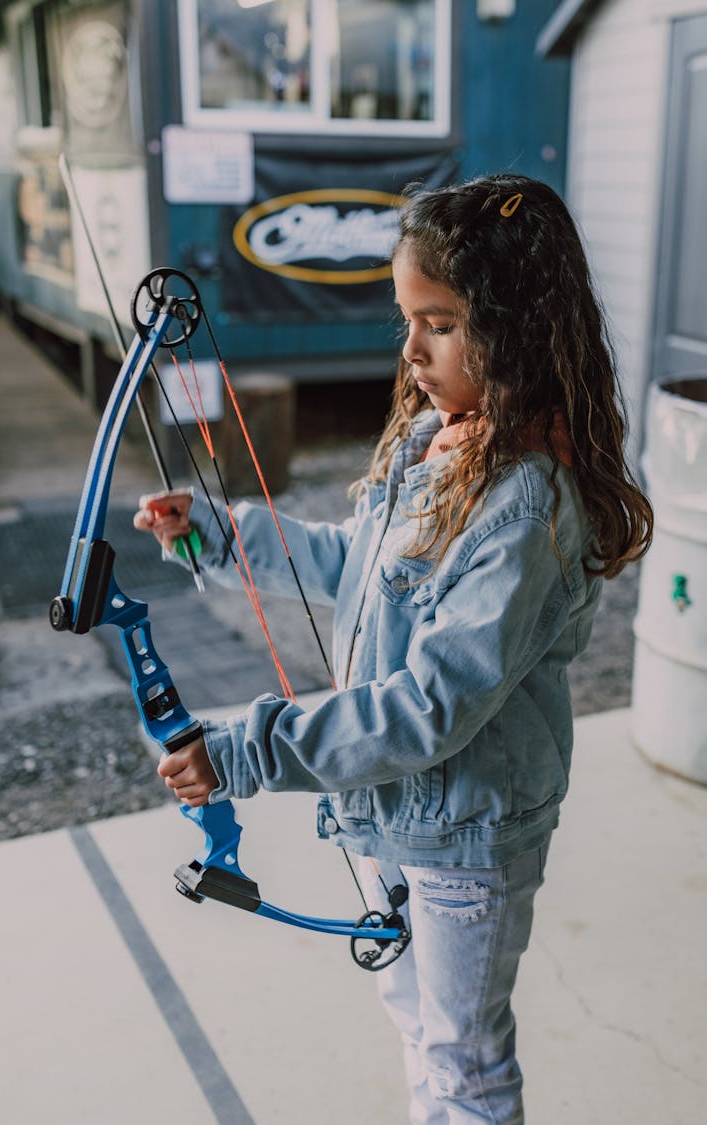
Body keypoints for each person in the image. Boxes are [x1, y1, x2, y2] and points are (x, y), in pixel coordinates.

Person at [134, 174, 652, 1123]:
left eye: (442, 322)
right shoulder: (433, 440)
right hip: (399, 817)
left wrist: (251, 749)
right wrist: (220, 534)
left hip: (469, 840)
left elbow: (431, 703)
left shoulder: (528, 499)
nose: (411, 348)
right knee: (415, 1019)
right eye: (407, 318)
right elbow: (353, 560)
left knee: (463, 1054)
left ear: (519, 327)